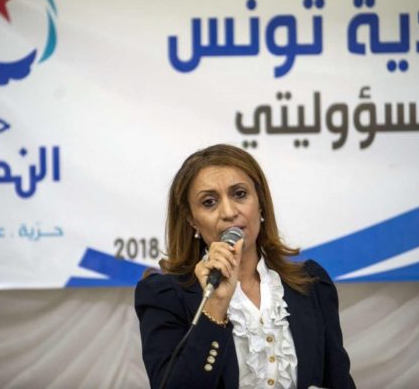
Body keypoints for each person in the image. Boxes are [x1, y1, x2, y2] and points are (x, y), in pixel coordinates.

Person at [135, 144, 355, 389]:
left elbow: (340, 381)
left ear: (260, 203)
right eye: (209, 202)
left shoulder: (311, 283)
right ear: (192, 220)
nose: (229, 212)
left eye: (240, 194)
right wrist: (215, 307)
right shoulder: (163, 295)